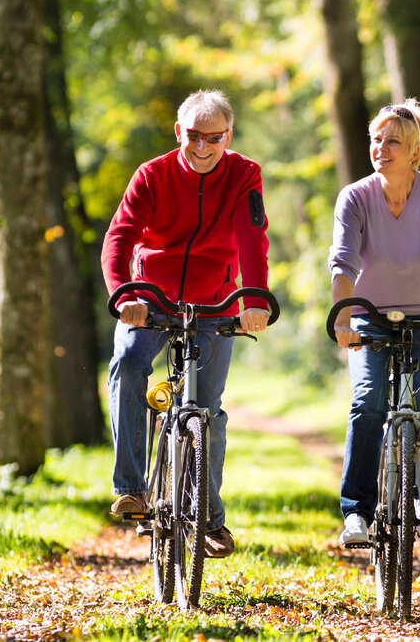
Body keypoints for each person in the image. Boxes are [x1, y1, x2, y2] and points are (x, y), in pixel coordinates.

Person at [101, 89, 272, 559]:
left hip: (215, 302)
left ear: (228, 135)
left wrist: (254, 298)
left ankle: (209, 519)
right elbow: (120, 238)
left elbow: (251, 238)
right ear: (179, 132)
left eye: (213, 138)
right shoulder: (152, 175)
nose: (202, 147)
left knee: (209, 412)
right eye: (193, 136)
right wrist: (124, 294)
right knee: (130, 362)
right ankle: (133, 487)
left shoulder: (243, 174)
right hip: (149, 298)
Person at [327, 98, 420, 547]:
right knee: (368, 401)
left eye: (392, 141)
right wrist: (342, 316)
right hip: (369, 320)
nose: (381, 147)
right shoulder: (355, 197)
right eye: (377, 139)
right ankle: (356, 512)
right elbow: (343, 263)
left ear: (415, 151)